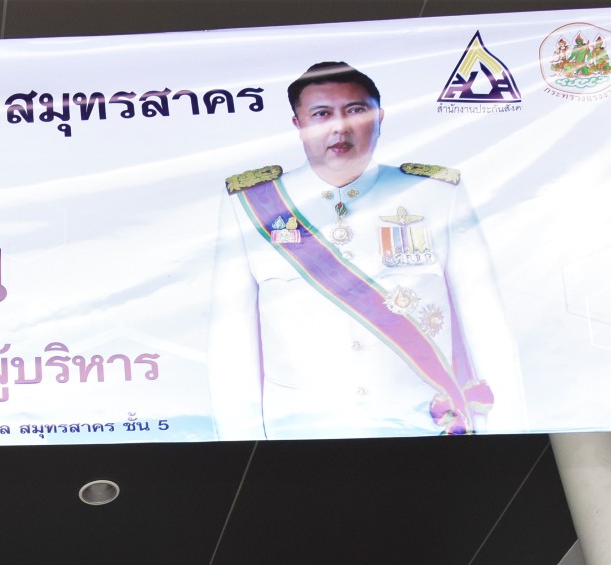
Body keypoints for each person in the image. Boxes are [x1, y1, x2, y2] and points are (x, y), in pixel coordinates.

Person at [210, 58, 523, 439]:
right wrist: (242, 446)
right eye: (321, 114)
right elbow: (231, 342)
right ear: (298, 123)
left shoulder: (435, 194)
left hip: (424, 427)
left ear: (380, 117)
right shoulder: (251, 204)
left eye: (356, 110)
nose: (339, 127)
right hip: (300, 434)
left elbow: (486, 321)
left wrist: (509, 434)